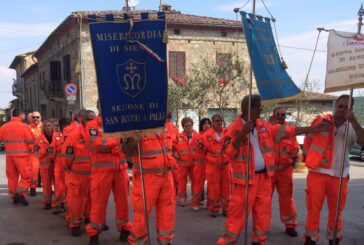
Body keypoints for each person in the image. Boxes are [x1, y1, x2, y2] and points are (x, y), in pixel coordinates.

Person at [217, 94, 330, 245]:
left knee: (263, 214)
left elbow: (289, 130)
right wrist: (243, 133)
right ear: (247, 109)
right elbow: (229, 153)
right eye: (258, 107)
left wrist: (314, 128)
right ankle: (228, 241)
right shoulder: (232, 130)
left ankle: (259, 240)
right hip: (244, 182)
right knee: (237, 215)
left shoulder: (264, 126)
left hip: (264, 179)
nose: (261, 110)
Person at [303, 94, 364, 245]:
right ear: (335, 105)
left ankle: (334, 237)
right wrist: (307, 161)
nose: (342, 109)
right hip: (318, 173)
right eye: (340, 106)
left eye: (346, 107)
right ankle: (311, 238)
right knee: (313, 209)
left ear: (351, 109)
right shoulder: (321, 121)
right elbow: (307, 141)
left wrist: (354, 120)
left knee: (336, 211)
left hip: (340, 175)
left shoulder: (352, 126)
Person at [85, 113, 132, 244]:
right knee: (98, 203)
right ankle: (94, 233)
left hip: (120, 169)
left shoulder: (122, 121)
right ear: (100, 105)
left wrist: (114, 145)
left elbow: (128, 141)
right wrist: (117, 143)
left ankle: (124, 229)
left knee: (123, 201)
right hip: (102, 171)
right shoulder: (91, 125)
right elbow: (96, 144)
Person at [122, 132, 175, 245]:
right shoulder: (134, 126)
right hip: (146, 177)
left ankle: (165, 241)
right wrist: (134, 139)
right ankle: (137, 241)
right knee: (142, 212)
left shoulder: (168, 126)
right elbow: (126, 151)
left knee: (167, 211)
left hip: (167, 175)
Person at [62, 110, 96, 237]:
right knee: (76, 202)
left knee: (93, 200)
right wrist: (69, 168)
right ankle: (75, 224)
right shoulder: (74, 135)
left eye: (94, 119)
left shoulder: (95, 132)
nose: (93, 122)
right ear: (82, 120)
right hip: (78, 176)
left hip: (94, 175)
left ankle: (90, 219)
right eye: (90, 119)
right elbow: (67, 155)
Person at [269, 107, 300, 237]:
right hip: (269, 172)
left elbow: (295, 149)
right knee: (264, 201)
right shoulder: (267, 129)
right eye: (279, 114)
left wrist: (292, 163)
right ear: (274, 115)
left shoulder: (290, 131)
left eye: (284, 115)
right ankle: (261, 225)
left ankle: (290, 225)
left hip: (285, 171)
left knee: (287, 200)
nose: (282, 117)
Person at [0, 109, 34, 206]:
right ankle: (20, 194)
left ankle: (13, 196)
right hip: (22, 156)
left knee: (12, 177)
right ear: (21, 115)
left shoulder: (4, 127)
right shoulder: (24, 127)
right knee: (27, 176)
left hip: (9, 157)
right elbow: (31, 141)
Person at [199, 114, 231, 217]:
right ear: (213, 122)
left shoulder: (227, 133)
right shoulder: (206, 135)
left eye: (220, 120)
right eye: (217, 121)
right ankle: (214, 209)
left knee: (227, 188)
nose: (219, 122)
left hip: (226, 164)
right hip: (213, 166)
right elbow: (202, 150)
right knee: (214, 188)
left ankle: (226, 208)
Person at [173, 117, 197, 206]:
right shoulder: (178, 136)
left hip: (194, 163)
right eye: (186, 126)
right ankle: (181, 199)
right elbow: (173, 147)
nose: (188, 127)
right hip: (182, 164)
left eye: (189, 125)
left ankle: (195, 200)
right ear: (183, 127)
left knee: (195, 181)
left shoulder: (198, 136)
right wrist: (174, 153)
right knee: (181, 182)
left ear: (192, 125)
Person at [191, 118, 212, 211]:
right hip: (200, 164)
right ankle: (195, 203)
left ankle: (210, 204)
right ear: (201, 126)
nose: (207, 125)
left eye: (208, 123)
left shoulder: (213, 135)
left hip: (211, 164)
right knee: (198, 184)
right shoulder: (197, 136)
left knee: (212, 185)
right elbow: (201, 149)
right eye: (204, 124)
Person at [52, 117, 71, 214]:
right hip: (59, 163)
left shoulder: (72, 134)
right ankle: (57, 205)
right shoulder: (56, 135)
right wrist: (51, 157)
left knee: (69, 186)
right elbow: (52, 149)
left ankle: (67, 205)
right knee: (59, 186)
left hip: (69, 162)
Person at [35, 120, 55, 210]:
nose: (48, 127)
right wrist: (45, 151)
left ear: (52, 126)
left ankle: (60, 202)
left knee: (59, 186)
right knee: (46, 186)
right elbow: (35, 152)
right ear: (43, 128)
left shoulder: (57, 137)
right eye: (46, 126)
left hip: (56, 165)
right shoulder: (39, 138)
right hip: (45, 166)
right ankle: (47, 202)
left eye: (49, 125)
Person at [28, 111, 42, 195]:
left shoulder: (44, 126)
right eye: (33, 117)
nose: (35, 119)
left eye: (37, 117)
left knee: (46, 171)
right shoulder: (28, 128)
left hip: (44, 153)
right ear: (31, 118)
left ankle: (46, 187)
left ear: (40, 117)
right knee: (34, 171)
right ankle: (32, 188)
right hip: (33, 153)